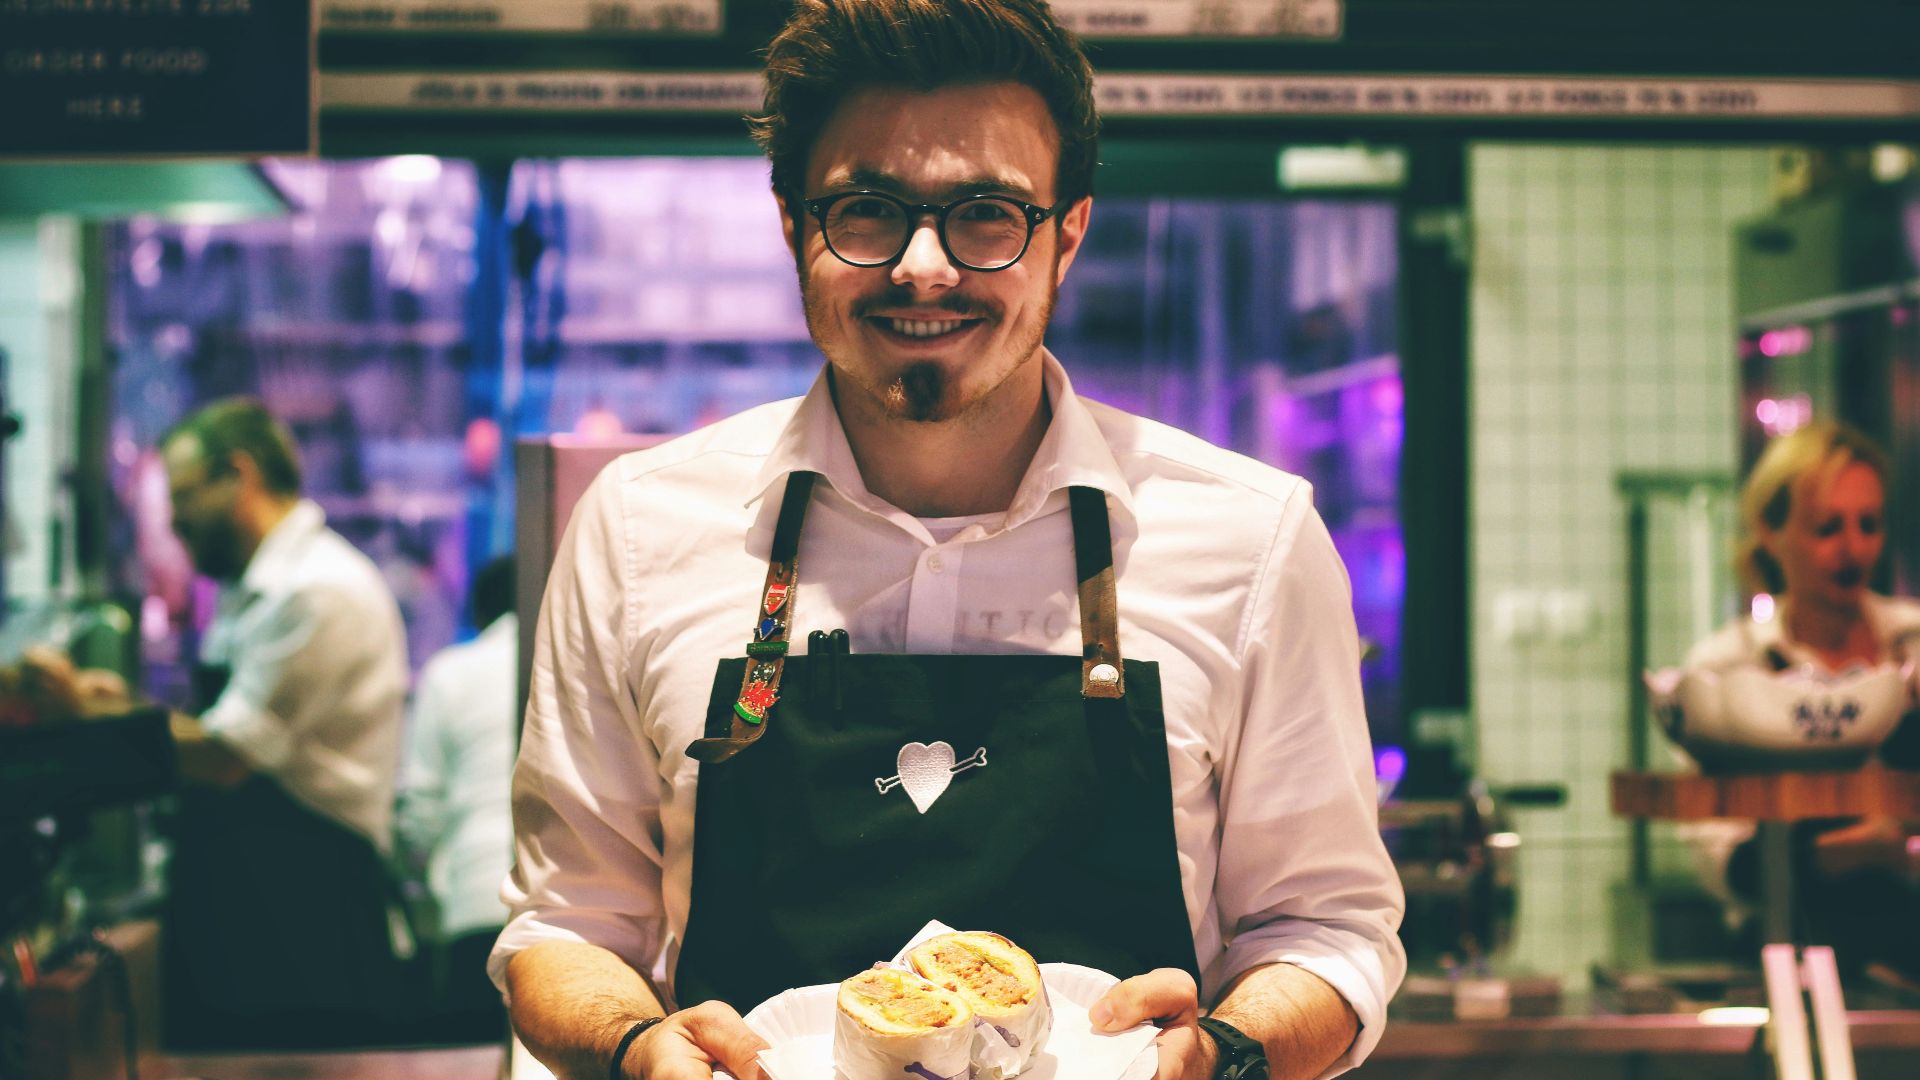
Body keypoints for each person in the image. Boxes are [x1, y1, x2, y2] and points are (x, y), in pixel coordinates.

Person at [494, 3, 1405, 1079]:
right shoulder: (641, 531)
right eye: (868, 210)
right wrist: (638, 1046)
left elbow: (1330, 933)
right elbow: (564, 928)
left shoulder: (1250, 540)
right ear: (793, 225)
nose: (925, 267)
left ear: (1068, 233)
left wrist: (1231, 1051)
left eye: (987, 213)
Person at [157, 397, 414, 1049]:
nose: (173, 520)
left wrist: (95, 727)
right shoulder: (258, 589)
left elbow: (225, 753)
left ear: (239, 476)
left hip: (305, 914)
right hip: (260, 905)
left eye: (183, 495)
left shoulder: (315, 588)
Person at [1680, 420, 1920, 980]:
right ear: (1771, 530)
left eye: (1868, 525)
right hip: (1782, 950)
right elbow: (1720, 861)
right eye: (1826, 527)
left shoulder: (1912, 643)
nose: (1852, 548)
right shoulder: (1725, 669)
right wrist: (1852, 851)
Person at [396, 554, 518, 1042]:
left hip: (474, 901)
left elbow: (420, 810)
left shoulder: (452, 672)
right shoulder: (585, 660)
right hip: (573, 924)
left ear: (479, 615)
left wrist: (421, 888)